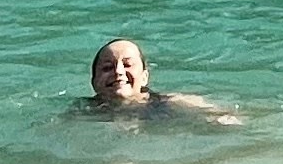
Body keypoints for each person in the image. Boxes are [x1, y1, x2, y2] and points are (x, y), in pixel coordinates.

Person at [78, 37, 236, 123]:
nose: (118, 72)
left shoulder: (168, 103)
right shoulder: (82, 112)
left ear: (144, 77)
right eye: (107, 68)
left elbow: (219, 114)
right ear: (94, 82)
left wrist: (221, 119)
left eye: (127, 65)